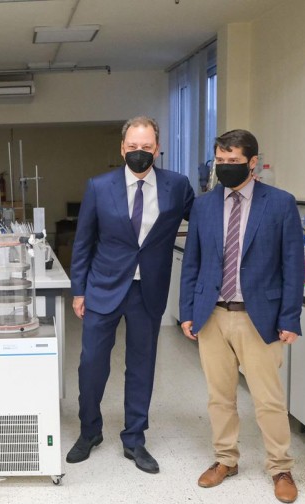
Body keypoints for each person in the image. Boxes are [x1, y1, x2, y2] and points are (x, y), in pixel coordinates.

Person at [179, 129, 304, 503]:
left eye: (233, 161)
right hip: (213, 315)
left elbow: (293, 265)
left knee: (268, 400)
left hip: (259, 316)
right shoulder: (203, 206)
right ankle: (225, 460)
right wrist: (187, 312)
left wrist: (290, 318)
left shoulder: (279, 203)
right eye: (220, 161)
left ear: (252, 162)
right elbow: (192, 263)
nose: (225, 167)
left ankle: (280, 467)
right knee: (219, 397)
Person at [67, 116, 195, 473]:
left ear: (158, 149)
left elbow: (204, 218)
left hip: (147, 290)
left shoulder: (177, 186)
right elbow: (83, 242)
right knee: (92, 363)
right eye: (134, 147)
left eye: (147, 147)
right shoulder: (99, 186)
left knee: (142, 365)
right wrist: (79, 290)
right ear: (122, 149)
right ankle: (89, 431)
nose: (140, 152)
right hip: (103, 286)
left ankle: (135, 438)